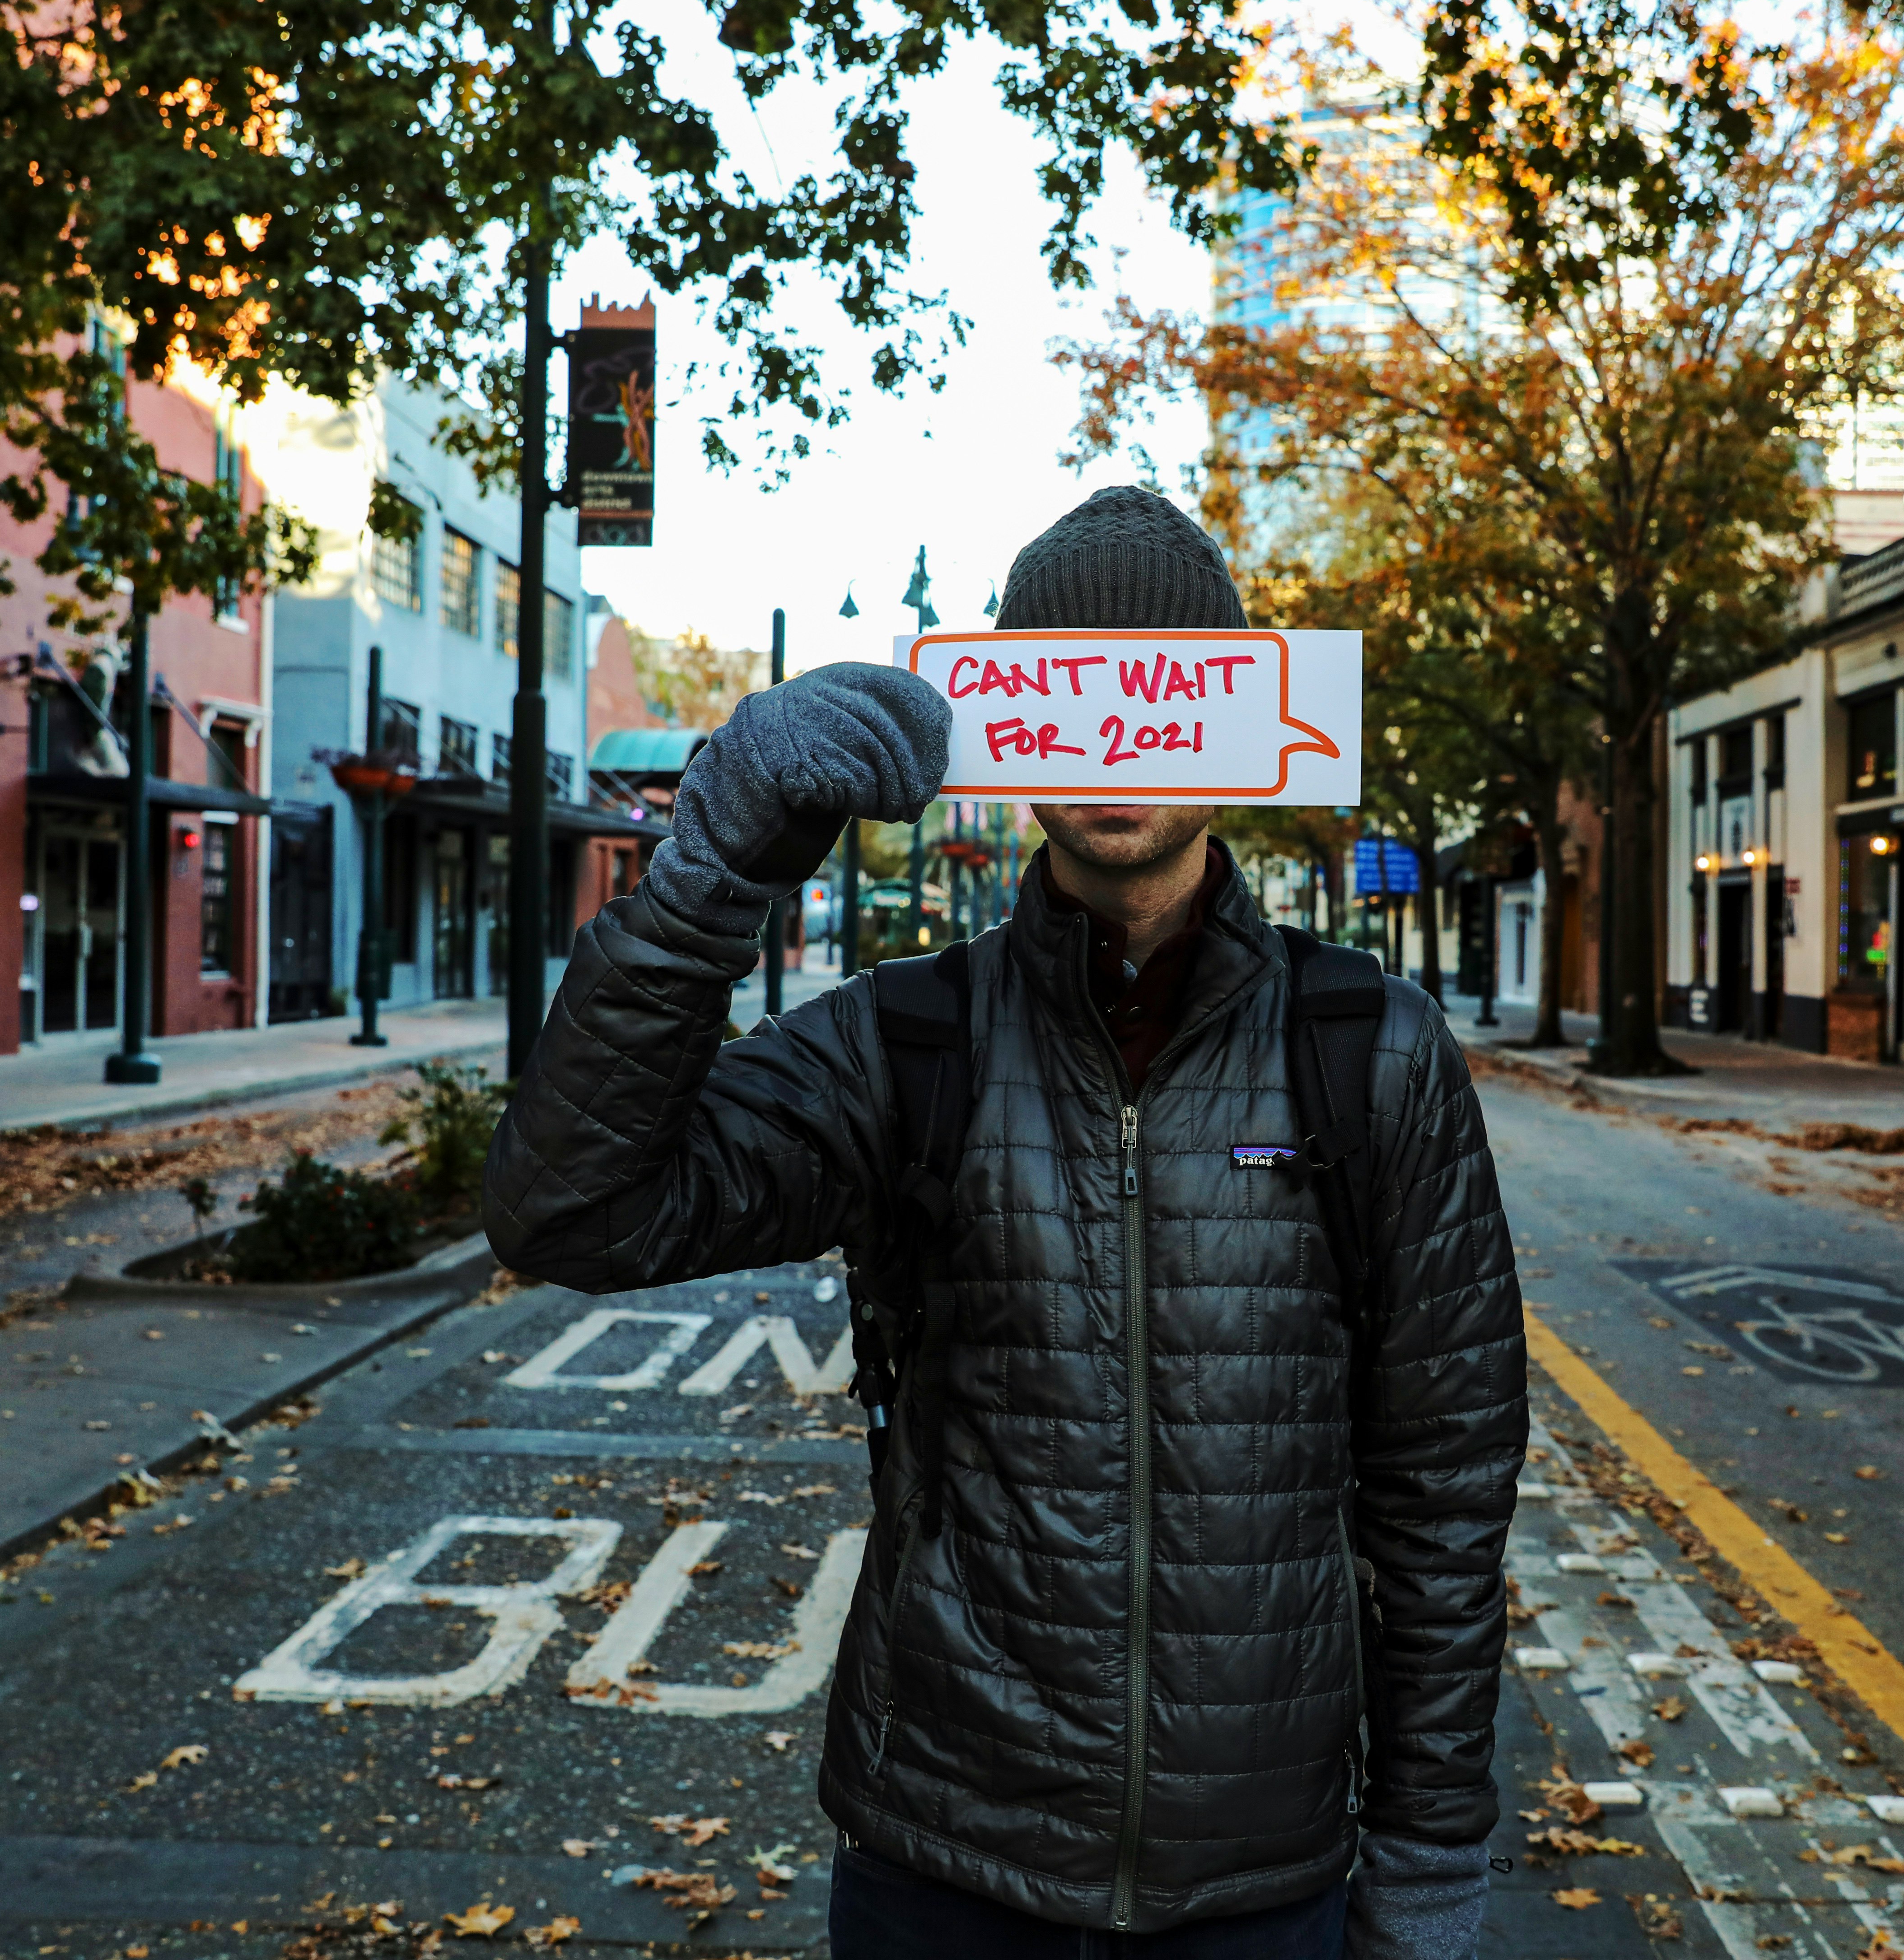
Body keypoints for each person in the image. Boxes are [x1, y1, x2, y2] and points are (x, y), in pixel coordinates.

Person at [485, 486, 1523, 1958]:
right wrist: (709, 880)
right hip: (941, 1868)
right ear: (1014, 716)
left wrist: (1429, 1845)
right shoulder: (909, 1042)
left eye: (1161, 682)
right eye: (1071, 680)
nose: (1118, 731)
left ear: (1238, 717)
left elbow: (1445, 1486)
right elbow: (571, 1210)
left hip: (1265, 1882)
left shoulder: (1377, 1050)